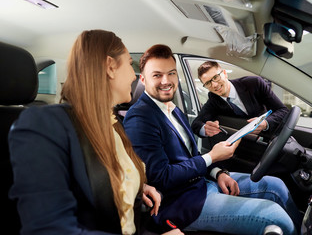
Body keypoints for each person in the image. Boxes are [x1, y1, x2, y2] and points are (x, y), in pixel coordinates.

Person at [8, 30, 182, 235]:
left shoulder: (114, 125)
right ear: (110, 67)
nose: (134, 76)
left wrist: (137, 186)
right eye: (129, 63)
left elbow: (103, 177)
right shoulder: (43, 124)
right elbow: (50, 229)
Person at [123, 44, 303, 235]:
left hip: (203, 182)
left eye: (172, 73)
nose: (166, 81)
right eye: (157, 75)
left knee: (276, 186)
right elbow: (161, 177)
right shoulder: (140, 117)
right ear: (143, 79)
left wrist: (218, 173)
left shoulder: (174, 110)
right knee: (275, 216)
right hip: (182, 201)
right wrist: (212, 157)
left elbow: (190, 156)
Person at [191, 61, 289, 138]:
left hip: (267, 137)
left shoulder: (254, 83)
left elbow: (283, 111)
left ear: (224, 73)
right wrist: (205, 129)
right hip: (241, 144)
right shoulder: (214, 99)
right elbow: (196, 124)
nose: (214, 85)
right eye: (208, 83)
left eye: (216, 77)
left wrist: (265, 123)